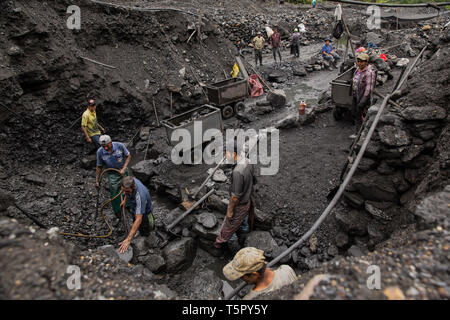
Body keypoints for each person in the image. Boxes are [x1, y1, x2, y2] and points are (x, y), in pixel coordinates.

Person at [213, 140, 256, 253]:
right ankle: (244, 240)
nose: (224, 155)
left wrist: (230, 211)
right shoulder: (247, 161)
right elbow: (253, 179)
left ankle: (237, 255)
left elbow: (235, 197)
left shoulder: (237, 172)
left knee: (229, 233)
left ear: (234, 154)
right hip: (247, 201)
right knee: (244, 224)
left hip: (239, 205)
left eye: (226, 153)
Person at [223, 247, 297, 300]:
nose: (241, 278)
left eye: (241, 276)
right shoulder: (286, 270)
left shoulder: (251, 298)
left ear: (255, 274)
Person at [96, 135, 131, 216]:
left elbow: (128, 156)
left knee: (128, 189)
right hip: (112, 174)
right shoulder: (100, 152)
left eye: (107, 146)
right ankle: (118, 211)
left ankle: (129, 206)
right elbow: (99, 166)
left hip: (123, 171)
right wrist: (97, 180)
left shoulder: (119, 146)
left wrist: (124, 168)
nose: (105, 148)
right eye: (103, 146)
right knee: (114, 193)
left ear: (111, 142)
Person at [118, 176, 154, 253]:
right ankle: (138, 230)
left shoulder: (140, 196)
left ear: (133, 187)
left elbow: (139, 219)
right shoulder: (130, 181)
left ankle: (146, 237)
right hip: (135, 206)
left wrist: (128, 239)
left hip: (145, 213)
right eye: (123, 190)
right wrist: (125, 200)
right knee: (136, 220)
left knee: (144, 227)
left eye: (127, 192)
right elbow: (126, 191)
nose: (124, 193)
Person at [350, 53, 375, 139]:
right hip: (355, 95)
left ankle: (358, 133)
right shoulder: (357, 69)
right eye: (359, 61)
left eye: (362, 62)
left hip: (363, 96)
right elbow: (354, 80)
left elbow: (369, 88)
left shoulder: (369, 73)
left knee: (358, 114)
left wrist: (364, 99)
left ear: (366, 62)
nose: (360, 63)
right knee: (354, 112)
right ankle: (361, 128)